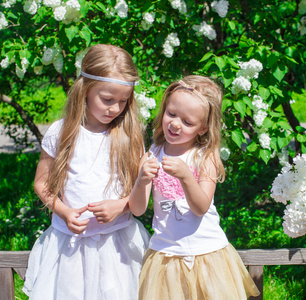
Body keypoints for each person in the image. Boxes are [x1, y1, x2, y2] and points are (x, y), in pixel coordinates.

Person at [23, 44, 151, 300]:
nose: (115, 108)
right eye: (107, 99)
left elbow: (141, 195)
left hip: (117, 247)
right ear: (85, 90)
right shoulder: (61, 133)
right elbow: (42, 184)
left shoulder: (129, 135)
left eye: (123, 101)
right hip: (69, 247)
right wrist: (64, 211)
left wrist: (121, 205)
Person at [129, 75, 260, 299]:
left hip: (206, 254)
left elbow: (200, 207)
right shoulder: (152, 155)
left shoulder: (205, 158)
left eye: (187, 122)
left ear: (202, 128)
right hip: (166, 254)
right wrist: (141, 180)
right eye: (171, 114)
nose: (175, 123)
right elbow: (137, 209)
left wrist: (186, 177)